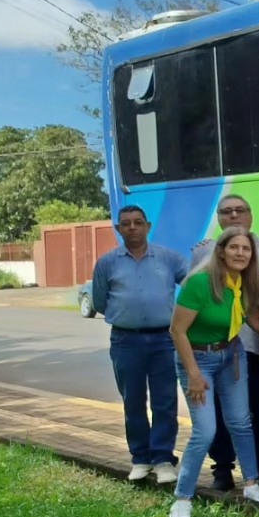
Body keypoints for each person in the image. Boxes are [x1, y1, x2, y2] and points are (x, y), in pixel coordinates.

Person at [168, 227, 259, 517]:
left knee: (241, 422)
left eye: (246, 249)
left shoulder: (245, 284)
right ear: (221, 251)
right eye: (235, 248)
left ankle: (252, 485)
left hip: (232, 355)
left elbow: (257, 322)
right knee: (205, 430)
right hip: (197, 357)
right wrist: (193, 374)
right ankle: (182, 500)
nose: (241, 253)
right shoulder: (200, 283)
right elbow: (177, 331)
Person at [91, 204, 189, 484]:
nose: (132, 227)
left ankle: (163, 459)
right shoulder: (107, 263)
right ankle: (141, 459)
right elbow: (100, 301)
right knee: (132, 401)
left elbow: (194, 283)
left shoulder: (169, 259)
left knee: (165, 401)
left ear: (147, 226)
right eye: (126, 223)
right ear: (119, 228)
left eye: (137, 222)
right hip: (125, 340)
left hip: (164, 339)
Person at [192, 194, 259, 492]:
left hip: (252, 346)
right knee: (217, 412)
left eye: (241, 210)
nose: (234, 215)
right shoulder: (203, 254)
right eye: (227, 211)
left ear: (251, 215)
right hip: (212, 349)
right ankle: (222, 467)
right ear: (219, 218)